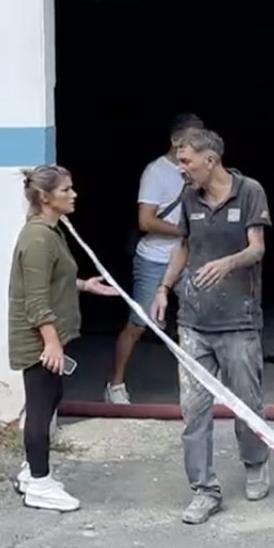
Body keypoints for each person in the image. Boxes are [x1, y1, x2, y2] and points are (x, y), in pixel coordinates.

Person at [149, 128, 273, 525]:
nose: (181, 168)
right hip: (194, 321)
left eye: (186, 161)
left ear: (210, 160)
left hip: (239, 320)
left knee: (246, 403)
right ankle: (204, 489)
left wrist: (228, 262)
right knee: (194, 410)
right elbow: (183, 245)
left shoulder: (250, 190)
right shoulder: (189, 197)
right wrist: (165, 288)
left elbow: (257, 248)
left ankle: (255, 463)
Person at [6, 164, 117, 512]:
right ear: (44, 196)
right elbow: (36, 300)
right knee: (40, 408)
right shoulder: (38, 237)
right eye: (66, 189)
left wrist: (84, 285)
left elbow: (54, 279)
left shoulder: (52, 232)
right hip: (38, 341)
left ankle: (30, 472)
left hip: (49, 337)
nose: (74, 194)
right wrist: (50, 343)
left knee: (50, 398)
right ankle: (39, 483)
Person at [104, 113, 203, 404]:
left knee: (197, 323)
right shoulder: (155, 172)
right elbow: (146, 221)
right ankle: (115, 385)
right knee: (138, 324)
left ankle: (201, 386)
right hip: (154, 259)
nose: (197, 146)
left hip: (188, 257)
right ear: (175, 140)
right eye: (192, 140)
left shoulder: (198, 170)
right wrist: (183, 230)